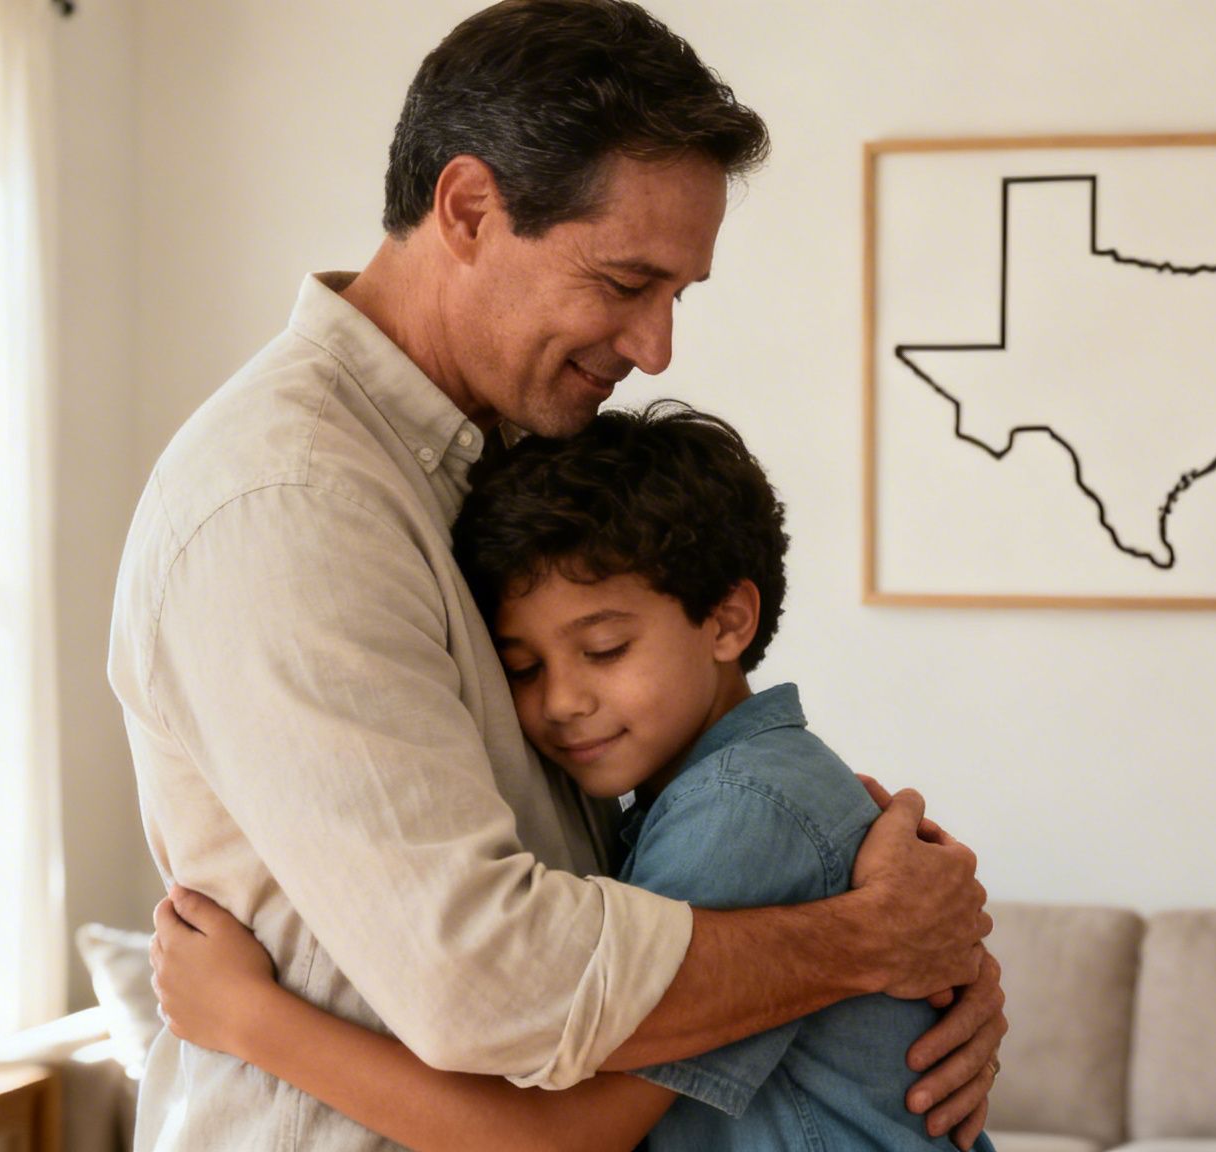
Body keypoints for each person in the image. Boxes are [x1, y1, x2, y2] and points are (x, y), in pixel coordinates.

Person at [108, 4, 1003, 1150]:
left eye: (677, 294)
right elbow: (482, 979)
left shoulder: (507, 467)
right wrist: (863, 944)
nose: (655, 348)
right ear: (471, 209)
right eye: (626, 282)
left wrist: (914, 972)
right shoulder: (292, 504)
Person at [149, 401, 999, 1152]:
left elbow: (559, 1140)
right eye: (520, 668)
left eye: (604, 650)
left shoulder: (741, 813)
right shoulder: (722, 796)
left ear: (728, 620)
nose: (561, 702)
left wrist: (248, 1021)